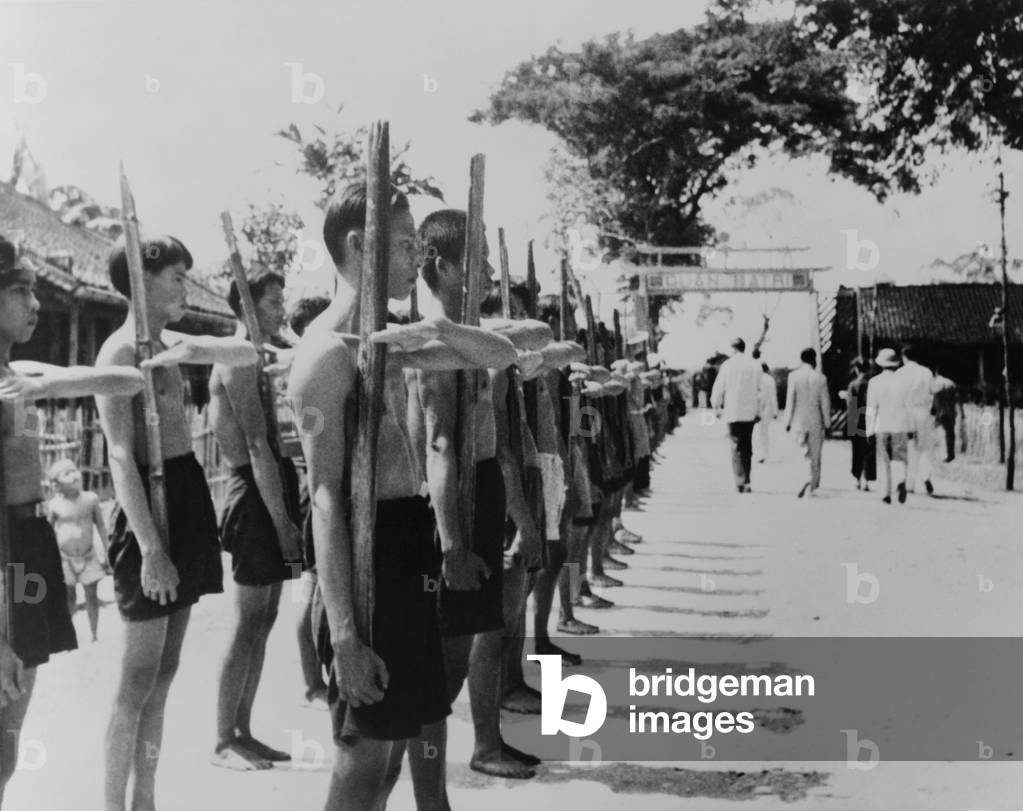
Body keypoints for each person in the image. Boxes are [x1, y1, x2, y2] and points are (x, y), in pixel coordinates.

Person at [288, 188, 517, 810]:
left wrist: (437, 328)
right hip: (369, 558)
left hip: (407, 536)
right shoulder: (325, 356)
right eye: (408, 242)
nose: (419, 256)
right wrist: (343, 635)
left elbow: (503, 354)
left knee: (389, 754)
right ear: (361, 245)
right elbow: (327, 499)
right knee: (362, 760)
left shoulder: (389, 339)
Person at [95, 234, 259, 811]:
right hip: (148, 509)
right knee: (136, 680)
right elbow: (119, 456)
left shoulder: (171, 344)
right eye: (176, 277)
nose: (185, 286)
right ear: (142, 281)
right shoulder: (118, 353)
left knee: (164, 674)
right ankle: (114, 805)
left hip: (185, 493)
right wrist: (151, 549)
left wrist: (191, 351)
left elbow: (249, 352)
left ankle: (148, 802)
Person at [0, 235, 146, 805]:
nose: (35, 304)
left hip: (30, 547)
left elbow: (129, 381)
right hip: (8, 554)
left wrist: (48, 383)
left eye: (36, 291)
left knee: (10, 737)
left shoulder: (21, 373)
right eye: (19, 291)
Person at [410, 208, 544, 783]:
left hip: (482, 486)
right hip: (455, 499)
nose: (489, 267)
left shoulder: (464, 336)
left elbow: (533, 336)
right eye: (479, 257)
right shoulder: (432, 343)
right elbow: (440, 447)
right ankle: (428, 786)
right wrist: (452, 546)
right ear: (442, 265)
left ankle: (483, 747)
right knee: (446, 662)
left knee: (475, 640)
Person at [209, 266, 305, 771]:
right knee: (248, 621)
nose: (281, 308)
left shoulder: (258, 355)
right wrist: (283, 521)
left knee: (264, 620)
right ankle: (224, 739)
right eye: (272, 302)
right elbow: (253, 444)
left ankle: (244, 729)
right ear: (246, 307)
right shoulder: (236, 359)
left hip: (272, 486)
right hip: (254, 494)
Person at [287, 294, 331, 708]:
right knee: (310, 596)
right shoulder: (307, 365)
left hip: (316, 494)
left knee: (317, 592)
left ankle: (319, 680)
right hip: (310, 502)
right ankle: (313, 683)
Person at [46, 458, 109, 642]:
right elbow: (49, 534)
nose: (74, 475)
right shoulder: (55, 505)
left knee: (91, 594)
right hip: (65, 559)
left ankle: (94, 634)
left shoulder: (90, 499)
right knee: (68, 597)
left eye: (74, 470)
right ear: (56, 485)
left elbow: (101, 527)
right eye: (67, 473)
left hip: (88, 556)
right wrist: (48, 560)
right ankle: (67, 635)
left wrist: (107, 551)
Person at [710, 338, 762, 492]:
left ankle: (739, 480)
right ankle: (747, 480)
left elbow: (719, 388)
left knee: (735, 445)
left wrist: (716, 406)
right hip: (750, 412)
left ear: (733, 348)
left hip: (732, 412)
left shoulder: (728, 365)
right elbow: (760, 391)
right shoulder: (755, 365)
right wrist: (758, 410)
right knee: (747, 445)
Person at [783, 348, 831, 498]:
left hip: (798, 421)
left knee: (801, 452)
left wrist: (787, 421)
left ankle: (804, 478)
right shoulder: (821, 378)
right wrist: (827, 423)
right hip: (816, 421)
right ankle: (812, 485)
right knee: (815, 454)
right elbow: (825, 403)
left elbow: (790, 400)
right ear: (813, 359)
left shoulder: (793, 376)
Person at [866, 347, 910, 504]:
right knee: (900, 456)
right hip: (900, 424)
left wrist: (869, 430)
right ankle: (900, 481)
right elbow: (908, 405)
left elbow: (871, 407)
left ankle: (885, 492)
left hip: (882, 425)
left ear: (881, 364)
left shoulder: (875, 382)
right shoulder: (904, 382)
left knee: (883, 459)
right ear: (896, 364)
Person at [895, 345, 938, 496]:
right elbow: (933, 392)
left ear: (903, 357)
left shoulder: (900, 373)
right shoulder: (926, 372)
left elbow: (897, 396)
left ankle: (909, 483)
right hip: (923, 412)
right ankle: (925, 476)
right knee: (925, 447)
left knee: (908, 447)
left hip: (907, 413)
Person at [846, 358, 876, 490]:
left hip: (856, 418)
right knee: (869, 450)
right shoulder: (872, 383)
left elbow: (850, 405)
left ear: (857, 369)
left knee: (856, 450)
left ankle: (857, 479)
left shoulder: (853, 384)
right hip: (870, 418)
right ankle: (867, 481)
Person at [932, 367, 958, 463]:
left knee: (941, 432)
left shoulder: (936, 383)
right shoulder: (951, 383)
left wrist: (934, 410)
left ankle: (944, 455)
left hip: (940, 411)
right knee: (950, 433)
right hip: (950, 411)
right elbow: (955, 399)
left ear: (936, 373)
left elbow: (935, 398)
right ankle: (951, 453)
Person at [754, 362, 778, 463]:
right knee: (764, 432)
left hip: (756, 407)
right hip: (767, 408)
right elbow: (773, 396)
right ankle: (764, 454)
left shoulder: (755, 378)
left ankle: (759, 454)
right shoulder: (770, 379)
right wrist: (775, 411)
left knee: (757, 432)